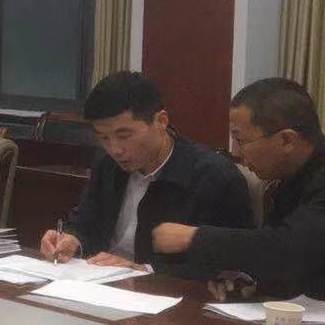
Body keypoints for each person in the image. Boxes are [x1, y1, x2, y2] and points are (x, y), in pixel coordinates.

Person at [39, 71, 252, 268]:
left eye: (124, 136)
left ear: (161, 121)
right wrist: (72, 239)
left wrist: (145, 271)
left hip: (163, 291)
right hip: (98, 281)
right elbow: (85, 221)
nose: (115, 149)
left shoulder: (213, 176)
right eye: (103, 138)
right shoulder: (107, 164)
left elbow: (227, 263)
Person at [149, 77, 325, 298]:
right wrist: (247, 282)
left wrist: (194, 237)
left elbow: (288, 249)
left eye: (240, 140)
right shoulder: (287, 177)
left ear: (287, 140)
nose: (235, 153)